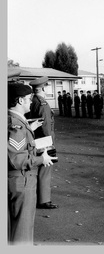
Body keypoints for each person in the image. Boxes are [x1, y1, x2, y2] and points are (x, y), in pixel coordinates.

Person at [8, 83, 56, 244]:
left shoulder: (15, 121)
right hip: (21, 180)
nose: (31, 102)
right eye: (28, 99)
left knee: (15, 228)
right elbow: (16, 159)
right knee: (22, 231)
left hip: (18, 179)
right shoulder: (15, 125)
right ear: (20, 101)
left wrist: (30, 127)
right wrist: (41, 159)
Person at [28, 76, 58, 209]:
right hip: (44, 141)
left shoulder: (33, 101)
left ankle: (39, 197)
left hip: (35, 139)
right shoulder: (42, 104)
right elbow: (46, 126)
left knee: (39, 170)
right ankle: (44, 199)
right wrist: (50, 143)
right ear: (42, 89)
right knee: (46, 170)